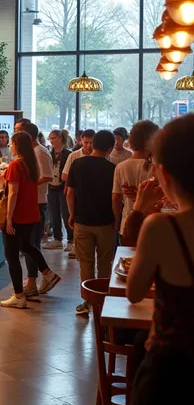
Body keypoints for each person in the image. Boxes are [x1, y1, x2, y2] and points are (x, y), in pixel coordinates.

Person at [126, 114, 194, 405]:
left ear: (163, 175)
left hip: (170, 384)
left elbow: (134, 291)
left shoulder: (161, 227)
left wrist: (139, 211)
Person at [66, 130, 116, 316]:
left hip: (82, 221)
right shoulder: (112, 168)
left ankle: (87, 301)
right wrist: (116, 219)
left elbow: (70, 193)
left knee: (85, 262)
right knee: (104, 261)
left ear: (93, 144)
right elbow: (114, 199)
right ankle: (102, 301)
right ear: (109, 149)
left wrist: (72, 215)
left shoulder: (77, 164)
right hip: (105, 223)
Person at [0, 131, 44, 309]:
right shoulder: (31, 164)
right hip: (31, 214)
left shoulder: (15, 165)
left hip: (18, 216)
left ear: (17, 146)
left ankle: (18, 295)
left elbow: (14, 193)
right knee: (26, 246)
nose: (10, 145)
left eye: (11, 142)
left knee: (11, 255)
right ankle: (47, 272)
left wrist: (9, 218)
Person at [20, 123, 61, 297]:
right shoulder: (31, 153)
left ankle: (37, 279)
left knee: (30, 244)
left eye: (17, 132)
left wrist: (27, 185)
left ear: (28, 136)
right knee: (28, 244)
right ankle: (33, 279)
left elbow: (48, 176)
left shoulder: (41, 153)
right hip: (31, 202)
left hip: (37, 202)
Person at [112, 120, 159, 244]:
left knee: (128, 261)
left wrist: (117, 221)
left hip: (127, 223)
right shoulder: (157, 167)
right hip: (153, 223)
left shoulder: (121, 167)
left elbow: (116, 198)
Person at [46, 129, 74, 253]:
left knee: (66, 213)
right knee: (54, 213)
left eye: (54, 138)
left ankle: (71, 240)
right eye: (50, 138)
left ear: (60, 139)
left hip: (63, 187)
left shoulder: (68, 154)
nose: (51, 141)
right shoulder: (49, 153)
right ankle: (57, 239)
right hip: (51, 187)